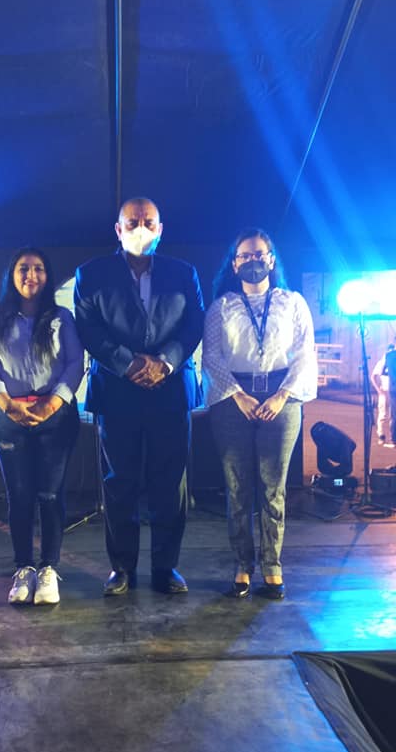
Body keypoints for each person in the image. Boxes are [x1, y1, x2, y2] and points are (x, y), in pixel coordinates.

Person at [74, 197, 204, 595]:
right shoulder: (91, 274)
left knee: (170, 484)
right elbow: (89, 330)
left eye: (148, 222)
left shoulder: (183, 273)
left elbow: (194, 323)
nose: (140, 229)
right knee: (119, 484)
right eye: (132, 222)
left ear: (160, 229)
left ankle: (166, 568)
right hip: (117, 392)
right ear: (118, 229)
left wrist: (165, 362)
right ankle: (121, 569)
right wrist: (129, 364)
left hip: (170, 390)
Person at [202, 228, 318, 600]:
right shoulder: (221, 307)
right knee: (238, 488)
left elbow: (305, 353)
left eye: (259, 254)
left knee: (273, 487)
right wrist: (238, 395)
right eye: (245, 256)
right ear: (234, 264)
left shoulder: (292, 302)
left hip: (282, 398)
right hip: (233, 399)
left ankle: (272, 566)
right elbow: (212, 357)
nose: (253, 261)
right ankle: (242, 565)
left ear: (271, 259)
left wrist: (283, 395)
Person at [0, 248, 84, 605]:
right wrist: (6, 404)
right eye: (23, 268)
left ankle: (48, 569)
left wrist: (52, 403)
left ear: (47, 276)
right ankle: (24, 569)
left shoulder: (62, 317)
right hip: (9, 417)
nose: (31, 275)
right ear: (12, 274)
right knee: (19, 497)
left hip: (55, 417)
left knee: (50, 496)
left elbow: (75, 362)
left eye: (38, 269)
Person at [371, 344, 394, 446]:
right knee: (383, 414)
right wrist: (378, 390)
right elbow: (373, 376)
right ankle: (381, 435)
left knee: (392, 415)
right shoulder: (382, 363)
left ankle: (392, 436)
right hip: (384, 391)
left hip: (393, 391)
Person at [384, 342, 396, 448]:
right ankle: (393, 439)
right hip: (394, 388)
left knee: (394, 414)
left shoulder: (389, 355)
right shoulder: (390, 355)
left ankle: (393, 440)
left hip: (393, 388)